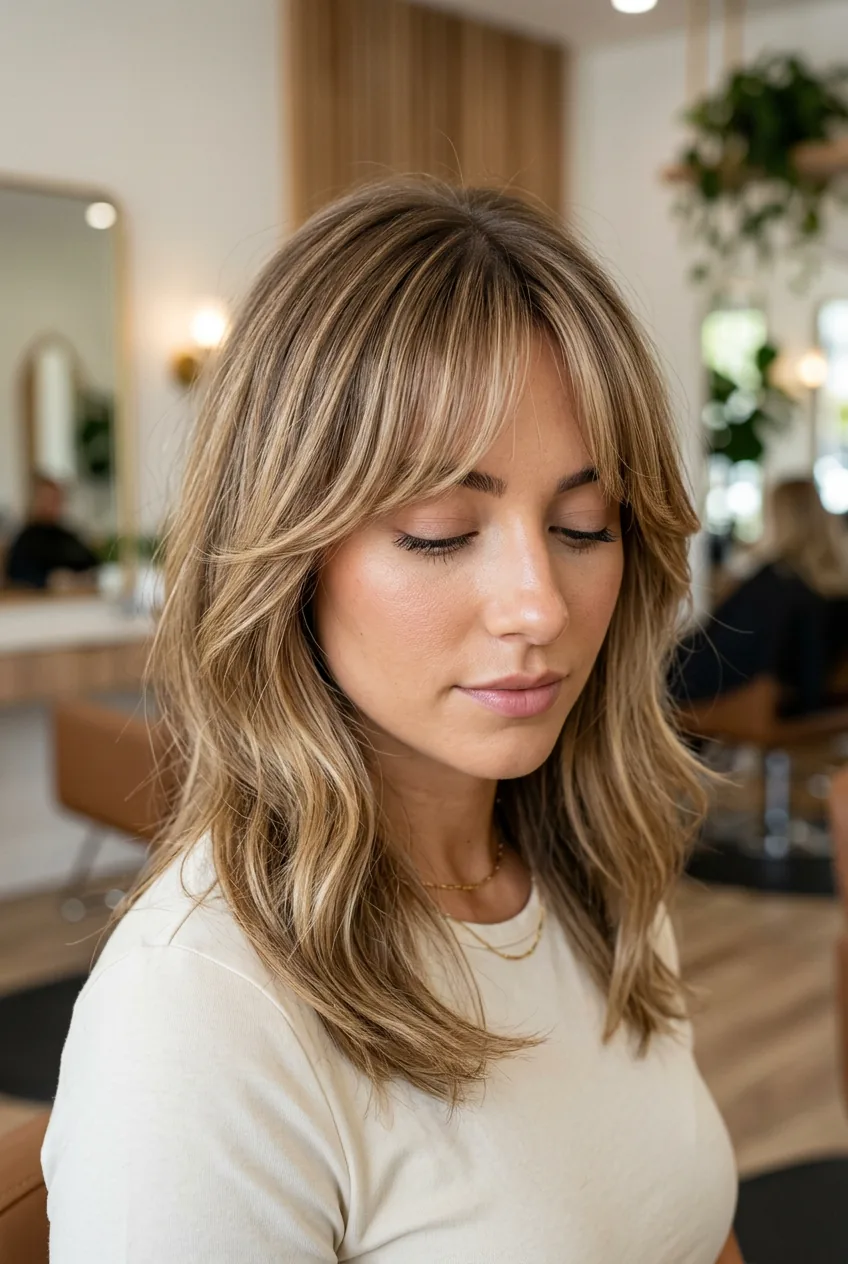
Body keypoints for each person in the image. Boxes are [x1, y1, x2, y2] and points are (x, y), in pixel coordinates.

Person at [42, 179, 743, 1263]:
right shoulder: (196, 1020)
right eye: (436, 530)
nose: (539, 606)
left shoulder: (594, 873)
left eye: (580, 523)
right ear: (285, 557)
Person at [671, 478, 848, 717]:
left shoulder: (775, 581)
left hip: (705, 691)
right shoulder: (829, 587)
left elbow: (718, 643)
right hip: (800, 706)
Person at [4, 474, 99, 590]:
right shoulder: (26, 539)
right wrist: (50, 580)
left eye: (57, 499)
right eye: (48, 499)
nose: (53, 504)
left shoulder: (68, 536)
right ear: (36, 500)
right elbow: (17, 576)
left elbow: (93, 564)